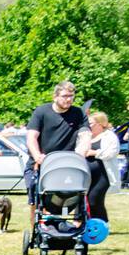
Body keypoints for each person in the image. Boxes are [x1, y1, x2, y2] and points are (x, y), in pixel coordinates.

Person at [25, 81, 91, 209]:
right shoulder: (41, 111)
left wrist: (80, 156)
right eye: (65, 96)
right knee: (36, 199)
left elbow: (85, 136)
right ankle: (37, 227)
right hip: (41, 162)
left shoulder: (78, 113)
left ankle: (66, 224)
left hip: (66, 163)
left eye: (71, 96)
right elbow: (31, 137)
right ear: (55, 97)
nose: (69, 99)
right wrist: (37, 155)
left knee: (68, 196)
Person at [84, 111, 120, 223]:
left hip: (103, 175)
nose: (89, 126)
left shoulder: (109, 136)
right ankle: (89, 223)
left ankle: (102, 223)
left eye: (91, 123)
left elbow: (111, 153)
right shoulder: (86, 136)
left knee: (94, 199)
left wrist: (94, 153)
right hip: (87, 175)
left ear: (100, 124)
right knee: (85, 201)